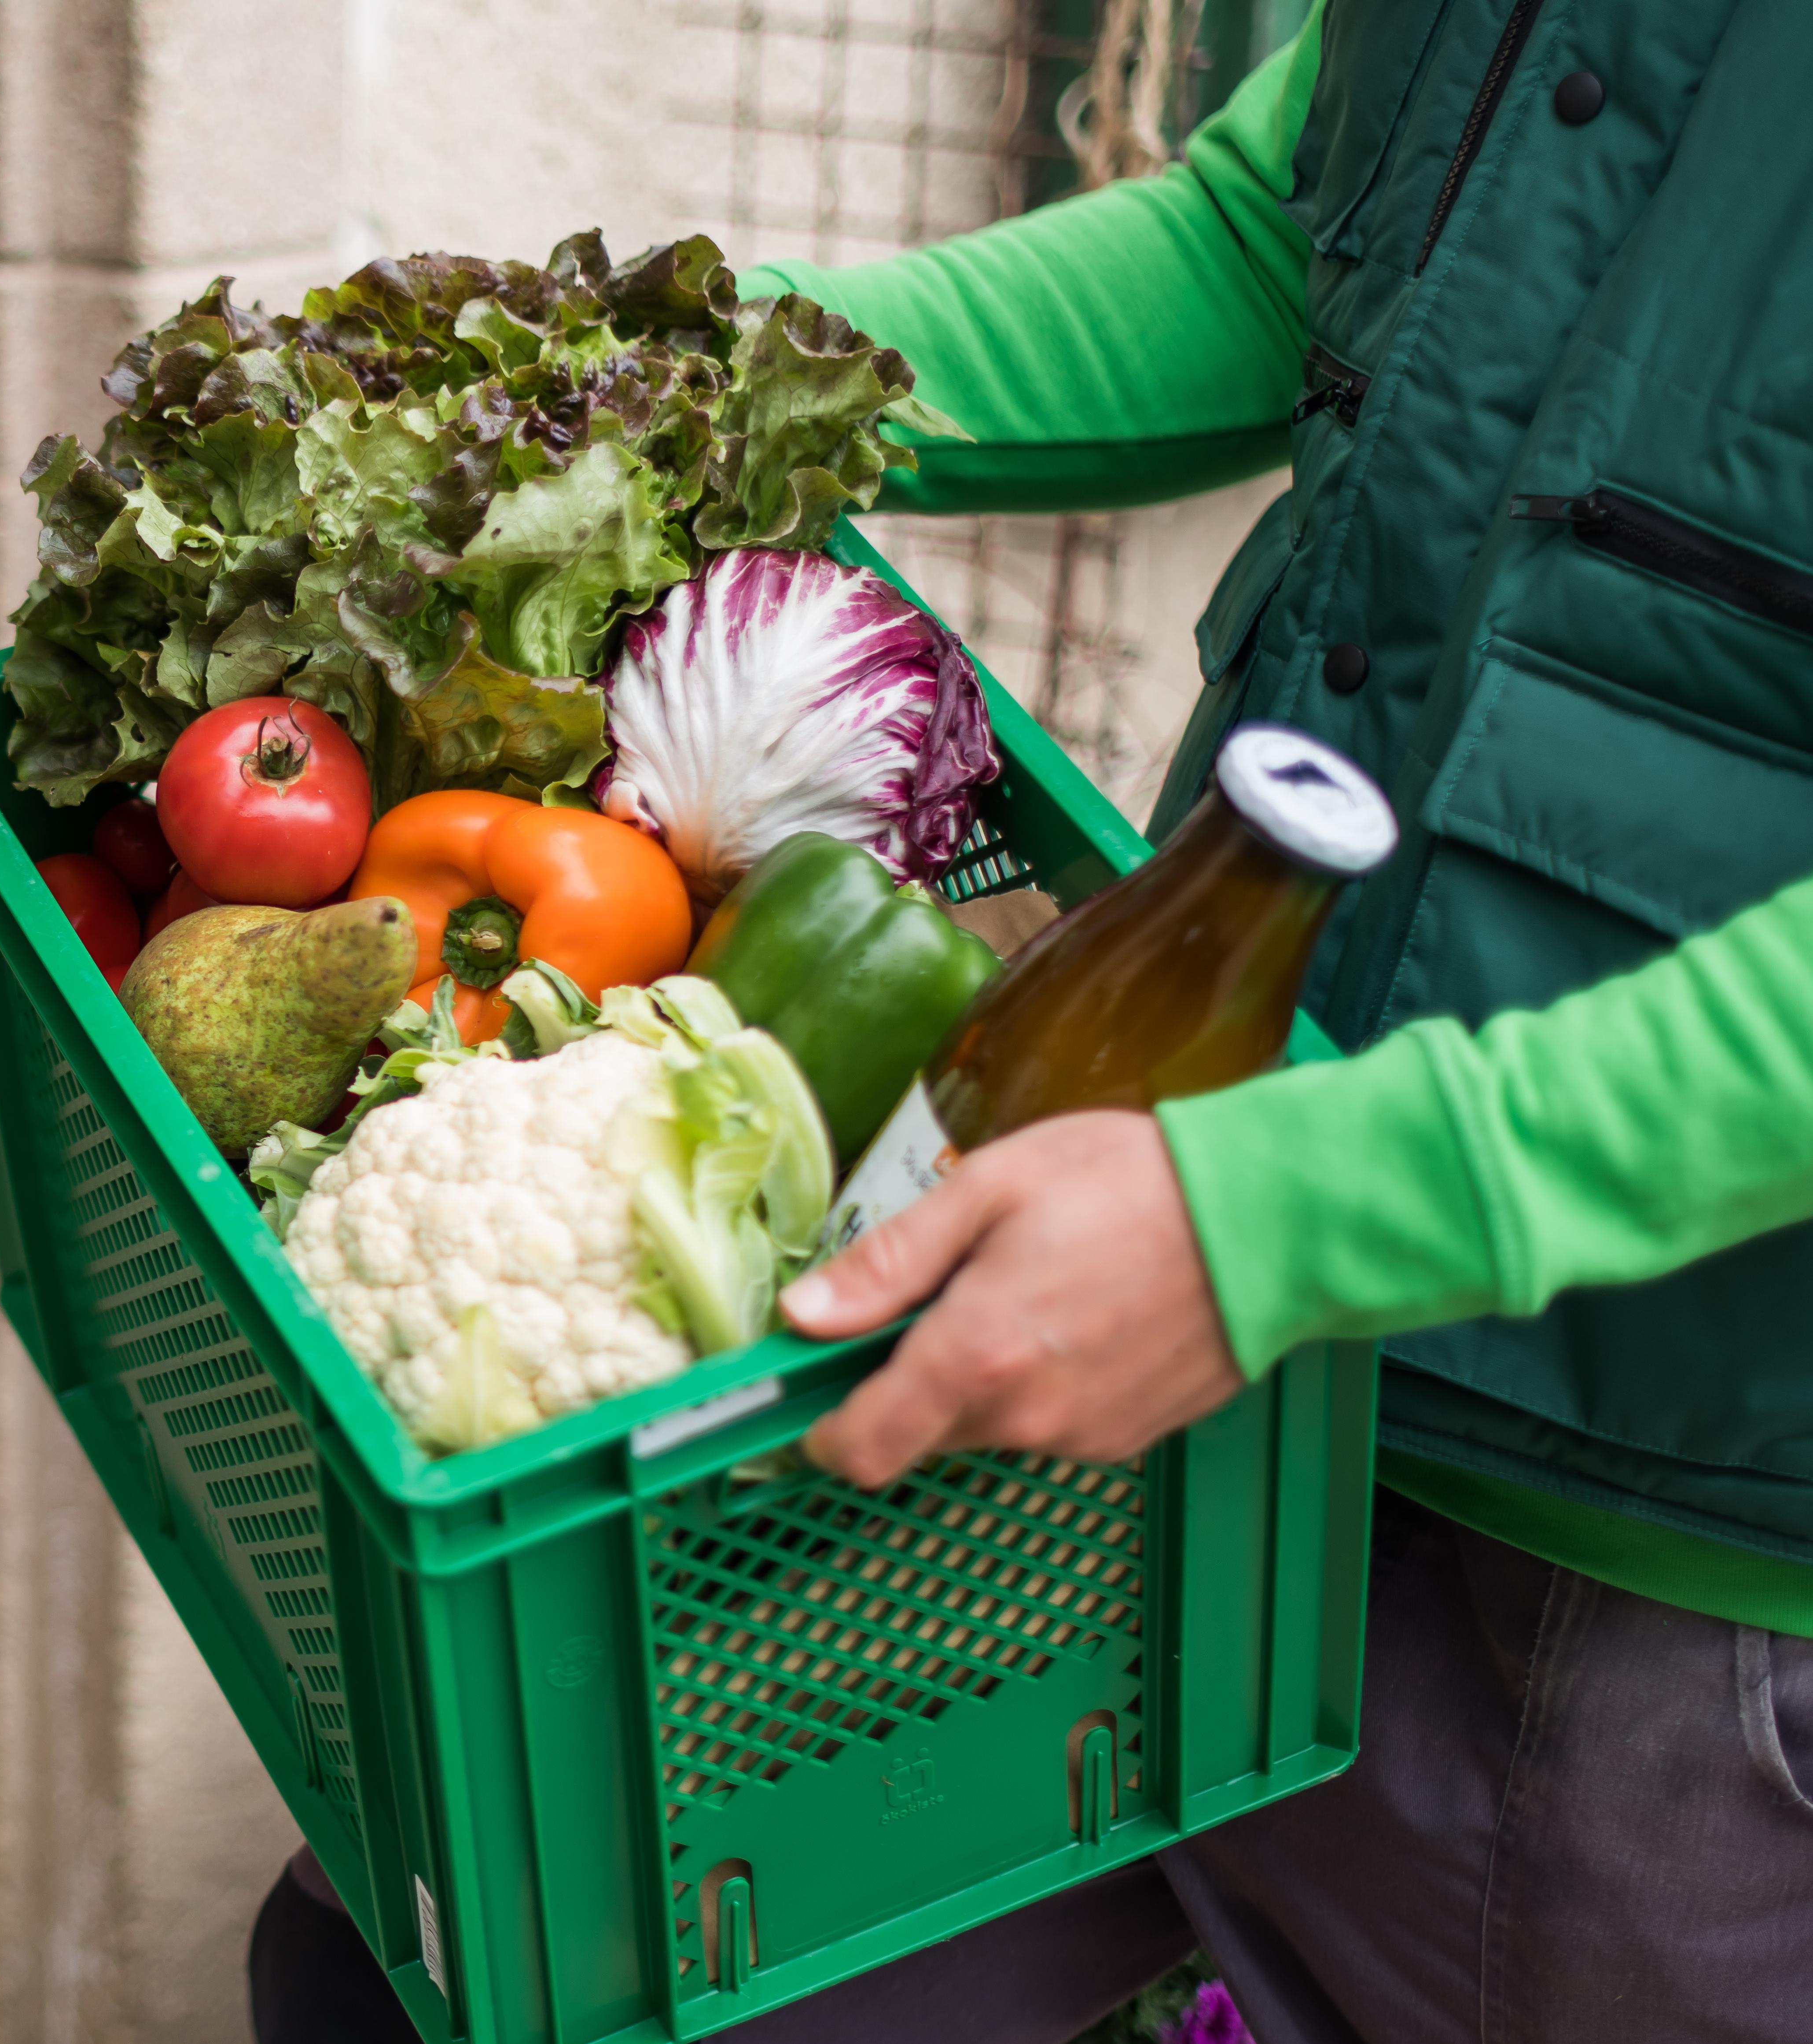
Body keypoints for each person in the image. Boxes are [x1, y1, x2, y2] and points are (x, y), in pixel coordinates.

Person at [250, 3, 1813, 2037]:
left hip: (1638, 1591)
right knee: (428, 1972)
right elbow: (1285, 240)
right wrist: (665, 399)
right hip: (1132, 1357)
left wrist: (1297, 1214)